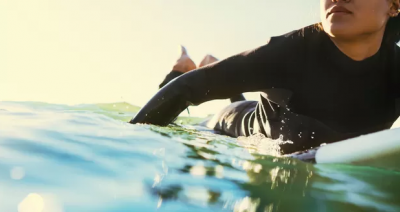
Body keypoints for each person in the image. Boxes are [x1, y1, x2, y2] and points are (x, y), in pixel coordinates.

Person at [130, 0, 400, 154]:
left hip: (278, 120)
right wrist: (134, 145)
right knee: (204, 112)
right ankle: (184, 65)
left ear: (394, 6)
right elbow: (186, 88)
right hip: (230, 125)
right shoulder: (290, 52)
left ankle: (212, 65)